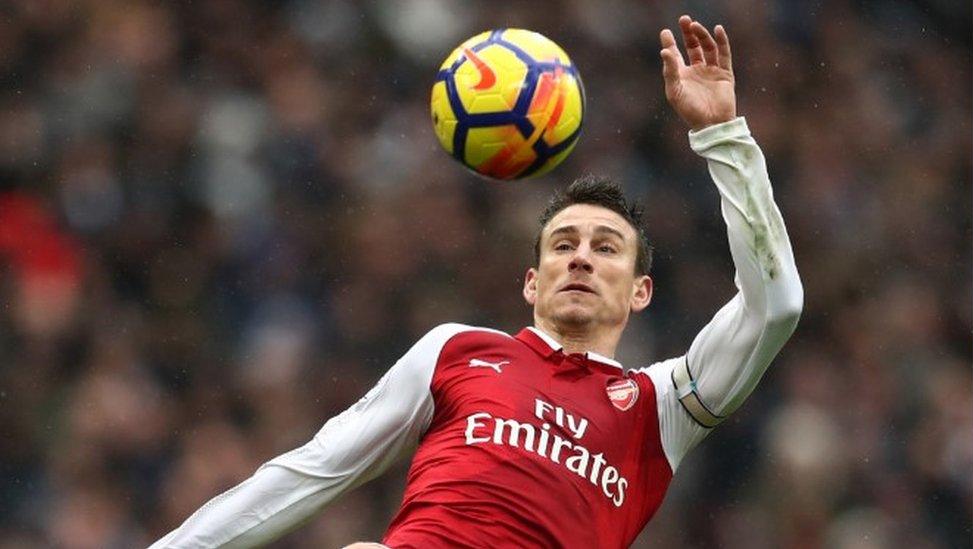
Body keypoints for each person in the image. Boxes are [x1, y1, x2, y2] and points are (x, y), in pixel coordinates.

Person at [151, 15, 803, 549]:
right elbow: (311, 471)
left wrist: (723, 135)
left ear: (640, 291)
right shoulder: (456, 351)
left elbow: (775, 305)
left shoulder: (660, 408)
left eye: (606, 248)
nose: (580, 258)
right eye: (562, 244)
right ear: (531, 281)